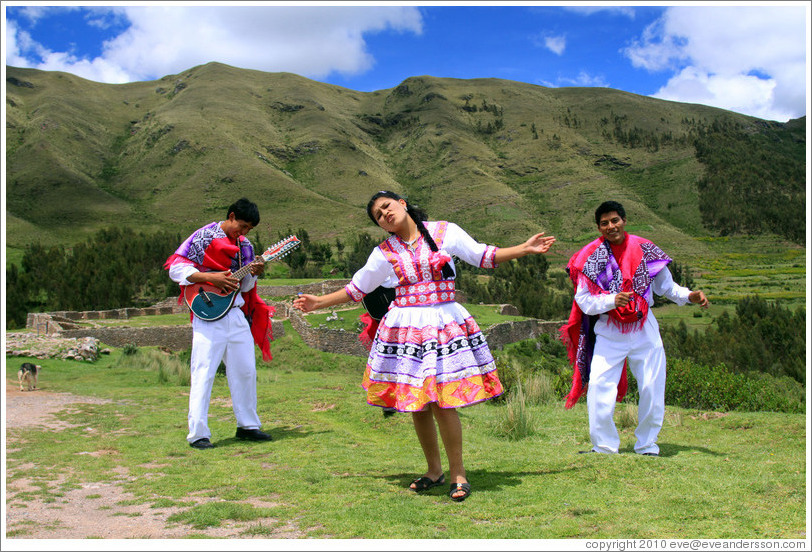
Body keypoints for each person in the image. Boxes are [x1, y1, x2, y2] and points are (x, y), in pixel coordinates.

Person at [293, 190, 556, 501]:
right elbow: (357, 288)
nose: (385, 214)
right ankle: (434, 470)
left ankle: (458, 472)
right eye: (379, 215)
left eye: (387, 207)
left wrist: (523, 249)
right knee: (418, 404)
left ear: (402, 204)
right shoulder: (384, 252)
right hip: (407, 331)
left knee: (444, 401)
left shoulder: (446, 232)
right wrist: (318, 302)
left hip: (444, 324)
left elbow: (482, 255)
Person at [560, 200, 708, 456]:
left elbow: (666, 287)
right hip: (609, 328)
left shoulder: (645, 249)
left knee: (652, 385)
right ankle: (604, 446)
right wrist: (610, 300)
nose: (610, 226)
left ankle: (647, 444)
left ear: (624, 221)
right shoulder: (590, 256)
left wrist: (688, 296)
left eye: (615, 220)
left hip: (644, 327)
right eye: (604, 223)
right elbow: (583, 300)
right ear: (598, 227)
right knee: (599, 385)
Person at [164, 198, 276, 449]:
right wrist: (208, 276)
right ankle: (198, 433)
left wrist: (253, 273)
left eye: (249, 229)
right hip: (207, 315)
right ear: (232, 216)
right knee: (203, 372)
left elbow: (243, 286)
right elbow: (176, 269)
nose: (244, 232)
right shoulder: (204, 236)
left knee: (246, 370)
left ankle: (248, 426)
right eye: (243, 226)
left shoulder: (245, 247)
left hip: (235, 313)